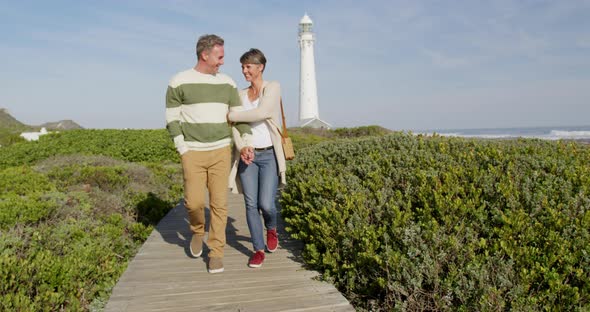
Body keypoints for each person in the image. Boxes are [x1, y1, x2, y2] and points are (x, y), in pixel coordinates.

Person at [165, 34, 253, 274]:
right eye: (220, 56)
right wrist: (183, 148)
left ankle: (216, 252)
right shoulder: (178, 81)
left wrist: (245, 143)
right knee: (194, 203)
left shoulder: (227, 83)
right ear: (205, 55)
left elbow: (237, 116)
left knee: (219, 204)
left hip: (221, 151)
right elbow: (172, 119)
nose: (223, 62)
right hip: (192, 152)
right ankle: (196, 231)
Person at [228, 48, 287, 268]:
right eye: (242, 67)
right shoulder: (240, 95)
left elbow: (261, 113)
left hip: (269, 154)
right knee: (251, 204)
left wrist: (232, 115)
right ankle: (258, 249)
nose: (244, 71)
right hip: (248, 156)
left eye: (248, 66)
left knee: (266, 204)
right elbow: (235, 128)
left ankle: (271, 228)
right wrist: (243, 147)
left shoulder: (273, 87)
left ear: (260, 67)